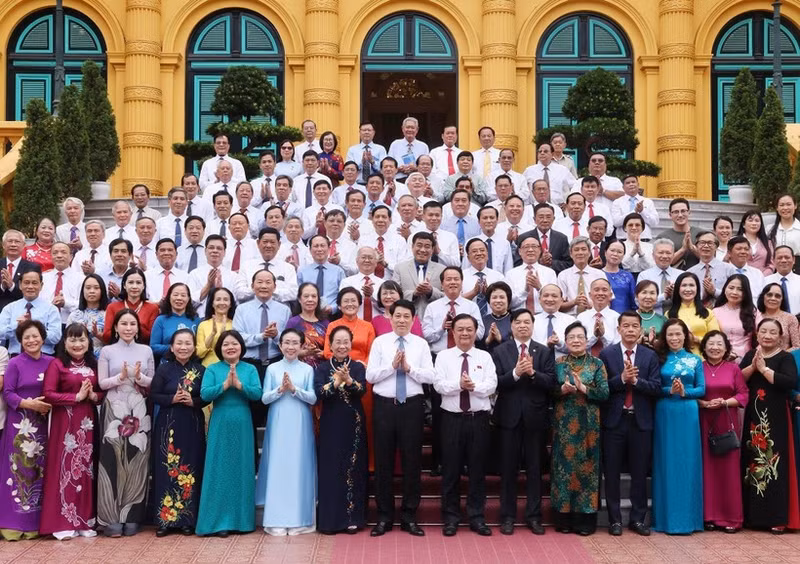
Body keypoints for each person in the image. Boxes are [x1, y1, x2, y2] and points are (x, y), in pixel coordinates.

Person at [366, 300, 435, 537]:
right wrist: (391, 366)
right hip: (385, 407)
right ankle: (384, 517)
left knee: (412, 462)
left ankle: (409, 516)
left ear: (414, 319)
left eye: (407, 316)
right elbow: (371, 375)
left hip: (412, 407)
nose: (402, 320)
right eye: (398, 316)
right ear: (390, 317)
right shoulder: (380, 342)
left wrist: (409, 368)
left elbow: (430, 376)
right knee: (383, 463)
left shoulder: (421, 344)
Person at [491, 308, 557, 535]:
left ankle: (534, 516)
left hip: (535, 419)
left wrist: (532, 374)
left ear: (533, 324)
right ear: (511, 325)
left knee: (534, 470)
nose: (522, 326)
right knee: (508, 469)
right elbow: (495, 382)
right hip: (508, 418)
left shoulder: (545, 351)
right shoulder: (500, 351)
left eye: (526, 322)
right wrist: (516, 373)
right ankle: (507, 516)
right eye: (518, 322)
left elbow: (551, 382)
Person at [599, 312, 662, 537]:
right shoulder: (607, 354)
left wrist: (635, 381)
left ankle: (637, 519)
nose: (631, 330)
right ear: (618, 329)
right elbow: (602, 388)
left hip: (640, 420)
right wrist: (621, 380)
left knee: (639, 473)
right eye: (626, 326)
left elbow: (656, 387)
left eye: (635, 326)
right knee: (613, 472)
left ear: (640, 329)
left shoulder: (649, 356)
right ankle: (614, 520)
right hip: (614, 421)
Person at [434, 314, 497, 537]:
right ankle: (450, 518)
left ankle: (477, 517)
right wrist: (458, 385)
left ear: (475, 331)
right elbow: (438, 385)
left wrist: (473, 387)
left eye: (469, 329)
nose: (464, 334)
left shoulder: (485, 356)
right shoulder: (443, 356)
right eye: (460, 329)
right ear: (453, 332)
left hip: (478, 419)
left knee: (477, 470)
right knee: (450, 470)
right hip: (451, 419)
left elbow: (491, 385)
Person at [39, 324, 103, 540]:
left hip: (87, 421)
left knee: (85, 468)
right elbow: (48, 393)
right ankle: (63, 521)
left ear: (88, 342)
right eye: (73, 340)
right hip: (64, 423)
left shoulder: (94, 364)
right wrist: (74, 398)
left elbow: (102, 392)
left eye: (82, 339)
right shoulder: (57, 365)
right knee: (65, 466)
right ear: (64, 343)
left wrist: (94, 396)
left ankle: (84, 520)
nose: (77, 344)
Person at [196, 330, 262, 537]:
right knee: (219, 469)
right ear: (220, 349)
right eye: (226, 344)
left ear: (241, 346)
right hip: (221, 421)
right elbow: (205, 394)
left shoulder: (250, 369)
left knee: (241, 469)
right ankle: (218, 522)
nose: (230, 347)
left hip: (242, 421)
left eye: (234, 343)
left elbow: (257, 394)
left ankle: (241, 522)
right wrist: (225, 385)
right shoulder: (213, 369)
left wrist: (240, 385)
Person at [96, 309, 155, 537]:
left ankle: (133, 517)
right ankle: (111, 518)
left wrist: (139, 377)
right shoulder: (107, 351)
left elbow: (152, 381)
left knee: (136, 459)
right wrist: (120, 378)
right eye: (124, 323)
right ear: (116, 327)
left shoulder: (146, 350)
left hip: (139, 408)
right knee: (112, 461)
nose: (128, 328)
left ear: (138, 328)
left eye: (132, 324)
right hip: (114, 408)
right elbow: (102, 383)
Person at [740, 318, 800, 533]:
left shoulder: (785, 357)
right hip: (753, 417)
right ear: (757, 333)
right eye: (763, 331)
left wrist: (764, 370)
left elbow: (789, 382)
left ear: (780, 336)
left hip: (776, 416)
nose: (767, 335)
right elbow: (738, 380)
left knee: (775, 462)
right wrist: (753, 367)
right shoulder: (750, 355)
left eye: (772, 332)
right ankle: (752, 517)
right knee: (752, 464)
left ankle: (777, 517)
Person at [550, 321, 609, 536]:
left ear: (587, 341)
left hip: (589, 425)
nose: (576, 340)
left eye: (580, 337)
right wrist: (562, 390)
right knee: (563, 469)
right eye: (572, 337)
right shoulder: (558, 363)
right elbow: (549, 391)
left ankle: (585, 520)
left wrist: (584, 388)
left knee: (587, 470)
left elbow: (605, 393)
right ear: (565, 342)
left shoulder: (596, 364)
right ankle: (563, 518)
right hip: (564, 424)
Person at [256, 329, 317, 535]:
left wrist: (294, 389)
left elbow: (312, 398)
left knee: (299, 466)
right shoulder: (273, 369)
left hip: (300, 421)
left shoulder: (307, 369)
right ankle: (276, 519)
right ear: (280, 346)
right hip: (279, 420)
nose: (291, 347)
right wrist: (280, 390)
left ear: (301, 347)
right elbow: (264, 398)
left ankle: (301, 519)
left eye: (295, 343)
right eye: (287, 343)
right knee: (278, 466)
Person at [150, 329, 206, 537]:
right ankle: (165, 520)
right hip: (168, 423)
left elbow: (207, 396)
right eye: (179, 343)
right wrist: (172, 399)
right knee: (166, 468)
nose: (183, 347)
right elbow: (154, 394)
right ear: (172, 347)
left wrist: (193, 401)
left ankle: (187, 520)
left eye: (188, 343)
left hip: (192, 423)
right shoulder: (164, 370)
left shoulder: (201, 369)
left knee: (191, 467)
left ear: (194, 347)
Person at [0, 320, 52, 540]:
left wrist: (45, 407)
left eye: (35, 336)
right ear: (20, 342)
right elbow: (8, 393)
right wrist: (29, 404)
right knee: (16, 471)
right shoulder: (15, 363)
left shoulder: (52, 363)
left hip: (41, 425)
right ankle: (11, 524)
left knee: (37, 472)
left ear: (43, 337)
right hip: (18, 426)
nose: (32, 340)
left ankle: (33, 524)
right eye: (26, 338)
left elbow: (54, 391)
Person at [652, 318, 705, 534]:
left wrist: (685, 392)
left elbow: (701, 389)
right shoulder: (658, 359)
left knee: (688, 462)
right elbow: (654, 387)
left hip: (688, 412)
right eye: (670, 334)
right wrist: (669, 391)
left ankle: (689, 520)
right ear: (665, 338)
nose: (674, 338)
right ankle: (666, 520)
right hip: (665, 411)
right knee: (666, 462)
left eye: (678, 334)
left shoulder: (695, 360)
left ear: (686, 336)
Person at [315, 326, 368, 534]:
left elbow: (361, 391)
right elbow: (321, 393)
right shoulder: (321, 368)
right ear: (330, 344)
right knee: (331, 469)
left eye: (346, 341)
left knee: (353, 469)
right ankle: (330, 521)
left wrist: (349, 381)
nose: (342, 346)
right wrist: (336, 382)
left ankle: (352, 518)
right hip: (330, 423)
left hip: (354, 423)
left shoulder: (357, 367)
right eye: (338, 341)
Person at [232, 269, 291, 443]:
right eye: (259, 282)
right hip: (251, 365)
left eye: (268, 282)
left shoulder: (284, 310)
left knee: (277, 413)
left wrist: (276, 336)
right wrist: (261, 337)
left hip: (276, 364)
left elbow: (289, 341)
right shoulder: (242, 309)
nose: (264, 286)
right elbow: (238, 338)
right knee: (251, 413)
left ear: (275, 286)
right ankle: (250, 462)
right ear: (252, 286)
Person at [698, 331, 748, 533]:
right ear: (704, 347)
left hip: (727, 421)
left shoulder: (733, 368)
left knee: (728, 470)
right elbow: (691, 391)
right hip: (703, 421)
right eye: (711, 343)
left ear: (726, 348)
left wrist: (724, 402)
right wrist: (703, 403)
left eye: (720, 344)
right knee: (706, 469)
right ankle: (708, 516)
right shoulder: (697, 367)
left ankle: (731, 518)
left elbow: (743, 394)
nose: (715, 347)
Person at [0, 264, 62, 354]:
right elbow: (1, 333)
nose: (30, 287)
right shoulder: (10, 308)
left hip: (43, 357)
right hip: (16, 356)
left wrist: (36, 329)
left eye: (34, 283)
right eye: (26, 282)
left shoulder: (51, 309)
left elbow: (56, 337)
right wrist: (16, 326)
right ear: (20, 285)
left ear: (41, 286)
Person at [392, 232, 445, 319]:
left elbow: (446, 296)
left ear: (432, 250)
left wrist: (431, 291)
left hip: (434, 318)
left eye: (427, 247)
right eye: (419, 245)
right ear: (412, 247)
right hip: (406, 318)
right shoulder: (400, 268)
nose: (423, 250)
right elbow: (394, 295)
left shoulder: (442, 270)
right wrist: (414, 294)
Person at [102, 268, 159, 344]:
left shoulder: (152, 308)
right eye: (131, 282)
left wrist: (136, 325)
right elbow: (106, 336)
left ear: (144, 286)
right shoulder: (112, 307)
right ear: (124, 285)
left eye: (138, 283)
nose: (134, 286)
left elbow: (152, 337)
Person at [667, 272, 720, 353]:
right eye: (684, 285)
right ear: (678, 288)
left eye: (691, 285)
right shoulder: (669, 314)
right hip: (677, 360)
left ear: (697, 288)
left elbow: (716, 340)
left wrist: (697, 340)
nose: (688, 289)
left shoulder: (708, 313)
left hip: (703, 360)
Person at [150, 283, 200, 359]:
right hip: (167, 364)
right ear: (169, 297)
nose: (179, 298)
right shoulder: (161, 320)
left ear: (188, 298)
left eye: (183, 295)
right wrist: (174, 348)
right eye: (175, 295)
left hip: (191, 365)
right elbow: (153, 347)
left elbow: (200, 346)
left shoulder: (196, 320)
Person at [557, 236, 605, 315]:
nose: (580, 253)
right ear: (571, 254)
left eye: (583, 249)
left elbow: (607, 303)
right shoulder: (563, 276)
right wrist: (574, 302)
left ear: (589, 253)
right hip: (570, 318)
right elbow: (558, 306)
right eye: (576, 250)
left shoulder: (599, 274)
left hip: (593, 315)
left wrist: (591, 305)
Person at [297, 235, 345, 313]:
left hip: (332, 315)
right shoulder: (302, 271)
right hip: (308, 313)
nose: (319, 249)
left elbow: (343, 296)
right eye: (316, 246)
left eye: (322, 246)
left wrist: (333, 308)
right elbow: (298, 295)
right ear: (310, 250)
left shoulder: (338, 271)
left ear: (329, 249)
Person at [712, 275, 756, 360]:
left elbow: (761, 336)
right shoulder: (714, 312)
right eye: (731, 288)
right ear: (724, 289)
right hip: (721, 358)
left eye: (740, 289)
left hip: (746, 361)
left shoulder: (753, 312)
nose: (734, 292)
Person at [687, 231, 736, 307]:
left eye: (710, 243)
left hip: (723, 310)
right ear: (696, 246)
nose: (706, 246)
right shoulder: (690, 272)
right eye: (702, 243)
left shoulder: (729, 269)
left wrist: (714, 291)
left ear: (716, 247)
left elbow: (736, 293)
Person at [287, 283, 328, 369]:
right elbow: (286, 350)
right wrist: (304, 353)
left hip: (322, 371)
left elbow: (331, 350)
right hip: (298, 370)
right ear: (299, 299)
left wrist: (322, 353)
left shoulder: (326, 323)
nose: (310, 299)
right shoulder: (293, 322)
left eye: (314, 296)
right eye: (306, 296)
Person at [67, 274, 109, 357]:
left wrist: (99, 336)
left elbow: (116, 342)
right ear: (83, 290)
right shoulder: (74, 315)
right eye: (88, 288)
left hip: (103, 358)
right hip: (78, 358)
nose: (92, 291)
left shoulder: (108, 314)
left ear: (102, 290)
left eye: (96, 288)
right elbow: (67, 341)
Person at [637, 239, 682, 314]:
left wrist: (675, 294)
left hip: (677, 319)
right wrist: (664, 295)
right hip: (652, 318)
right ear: (653, 255)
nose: (664, 256)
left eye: (668, 253)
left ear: (673, 255)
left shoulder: (681, 275)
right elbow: (639, 302)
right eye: (661, 253)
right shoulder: (644, 275)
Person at [41, 242, 82, 325]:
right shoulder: (42, 278)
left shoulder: (81, 278)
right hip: (46, 323)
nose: (59, 256)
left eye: (63, 252)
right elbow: (37, 303)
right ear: (51, 256)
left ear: (71, 257)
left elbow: (84, 303)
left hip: (72, 325)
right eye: (55, 253)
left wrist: (65, 303)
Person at [656, 198, 701, 269]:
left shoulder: (701, 234)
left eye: (683, 211)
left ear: (689, 212)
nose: (680, 215)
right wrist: (683, 249)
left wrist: (692, 248)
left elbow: (709, 258)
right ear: (670, 215)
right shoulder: (663, 237)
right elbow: (660, 262)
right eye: (676, 212)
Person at [610, 175, 659, 240]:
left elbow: (655, 222)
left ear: (638, 184)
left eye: (633, 182)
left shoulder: (648, 202)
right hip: (624, 240)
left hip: (643, 239)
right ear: (623, 187)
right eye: (628, 183)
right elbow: (616, 222)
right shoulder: (617, 202)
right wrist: (634, 211)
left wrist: (642, 211)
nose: (631, 184)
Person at [196, 287, 235, 367]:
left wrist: (223, 336)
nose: (222, 302)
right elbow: (199, 354)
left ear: (230, 304)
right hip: (208, 368)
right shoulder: (203, 325)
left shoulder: (236, 324)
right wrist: (213, 334)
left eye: (225, 299)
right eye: (218, 299)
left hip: (230, 368)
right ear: (212, 303)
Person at [533, 284, 574, 359]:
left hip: (565, 365)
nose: (550, 299)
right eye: (546, 295)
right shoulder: (531, 321)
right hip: (537, 364)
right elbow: (528, 347)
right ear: (539, 299)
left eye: (554, 296)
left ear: (561, 300)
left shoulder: (571, 321)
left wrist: (559, 343)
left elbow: (576, 348)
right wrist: (546, 345)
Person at [0, 230, 36, 312]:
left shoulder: (32, 267)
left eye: (17, 241)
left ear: (24, 245)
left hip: (22, 310)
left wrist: (12, 286)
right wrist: (2, 287)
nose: (13, 244)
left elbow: (32, 293)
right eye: (10, 241)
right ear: (3, 245)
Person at [145, 238, 190, 304]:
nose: (166, 253)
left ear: (176, 254)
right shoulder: (146, 276)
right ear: (156, 254)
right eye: (162, 250)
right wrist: (157, 304)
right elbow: (142, 301)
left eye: (170, 250)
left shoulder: (185, 277)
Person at [756, 282, 800, 350]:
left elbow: (797, 346)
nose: (773, 298)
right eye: (769, 295)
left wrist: (778, 356)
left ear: (782, 299)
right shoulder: (756, 316)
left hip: (784, 358)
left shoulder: (790, 318)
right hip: (757, 358)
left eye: (777, 296)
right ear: (763, 297)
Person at [767, 194, 800, 274]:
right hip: (774, 269)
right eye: (781, 205)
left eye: (788, 204)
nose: (785, 208)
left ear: (795, 206)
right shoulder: (769, 229)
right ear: (777, 208)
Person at [765, 245, 800, 314]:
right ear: (773, 260)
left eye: (787, 257)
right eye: (779, 258)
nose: (783, 260)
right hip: (771, 322)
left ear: (793, 260)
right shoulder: (765, 282)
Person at [738, 210, 774, 276]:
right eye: (750, 220)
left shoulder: (768, 243)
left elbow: (771, 264)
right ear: (743, 224)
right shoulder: (735, 241)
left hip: (763, 280)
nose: (754, 223)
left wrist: (761, 277)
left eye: (757, 221)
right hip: (740, 279)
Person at [603, 241, 636, 313]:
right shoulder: (597, 274)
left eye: (619, 252)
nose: (615, 254)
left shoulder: (628, 276)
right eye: (612, 250)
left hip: (624, 319)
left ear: (623, 255)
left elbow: (634, 301)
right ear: (605, 252)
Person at [480, 281, 512, 352]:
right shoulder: (482, 320)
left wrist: (500, 339)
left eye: (502, 297)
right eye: (494, 297)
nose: (498, 300)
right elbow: (476, 346)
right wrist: (488, 340)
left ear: (508, 300)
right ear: (489, 300)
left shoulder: (514, 320)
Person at [635, 280, 666, 348]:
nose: (648, 296)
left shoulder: (663, 319)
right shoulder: (629, 318)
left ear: (657, 297)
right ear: (636, 295)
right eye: (644, 292)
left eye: (652, 293)